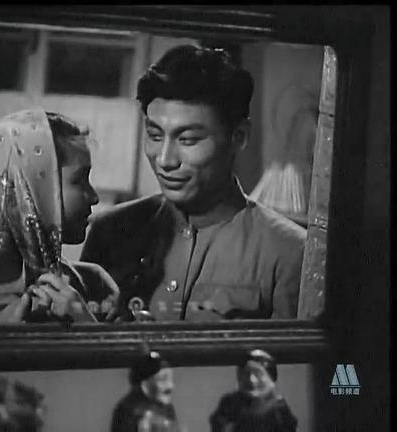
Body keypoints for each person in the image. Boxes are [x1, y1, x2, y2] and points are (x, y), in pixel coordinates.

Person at [81, 45, 306, 321]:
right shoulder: (110, 231)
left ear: (238, 136)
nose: (165, 159)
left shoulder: (289, 253)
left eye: (188, 140)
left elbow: (305, 350)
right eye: (154, 135)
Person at [0, 108, 119, 325]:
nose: (94, 197)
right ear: (30, 190)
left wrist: (86, 324)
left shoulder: (90, 285)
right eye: (79, 180)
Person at [209, 349, 297, 432]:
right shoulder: (229, 404)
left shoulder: (278, 408)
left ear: (270, 378)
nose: (252, 380)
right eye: (247, 374)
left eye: (258, 374)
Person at [111, 350, 179, 432]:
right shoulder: (128, 411)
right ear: (145, 383)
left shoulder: (166, 408)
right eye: (162, 379)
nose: (170, 386)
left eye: (170, 379)